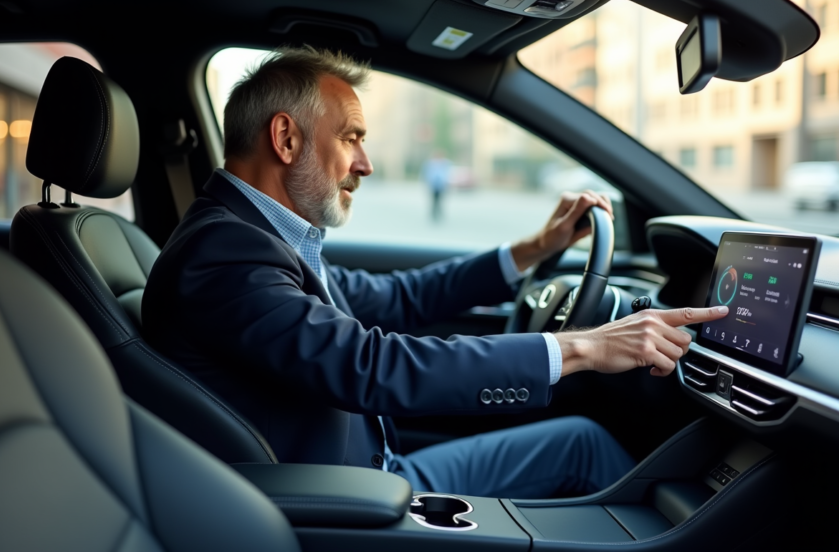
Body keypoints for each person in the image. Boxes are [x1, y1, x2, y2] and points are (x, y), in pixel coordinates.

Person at [142, 46, 728, 499]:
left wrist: (535, 248)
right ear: (287, 138)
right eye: (351, 138)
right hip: (341, 499)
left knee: (582, 439)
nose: (366, 164)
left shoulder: (262, 238)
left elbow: (397, 298)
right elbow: (369, 365)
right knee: (590, 455)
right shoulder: (226, 254)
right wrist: (581, 348)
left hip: (371, 468)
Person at [422, 149, 451, 221]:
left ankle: (439, 213)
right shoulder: (430, 163)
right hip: (433, 186)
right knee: (434, 201)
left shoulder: (445, 163)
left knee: (440, 201)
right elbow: (426, 174)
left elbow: (448, 174)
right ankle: (433, 214)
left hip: (442, 186)